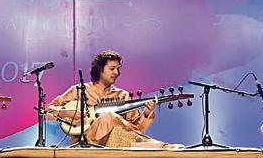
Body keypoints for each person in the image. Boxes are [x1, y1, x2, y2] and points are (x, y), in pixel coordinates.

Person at [47, 50, 179, 148]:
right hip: (85, 143)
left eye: (118, 69)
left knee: (120, 129)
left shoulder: (122, 95)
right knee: (108, 116)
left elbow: (135, 130)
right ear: (99, 69)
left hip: (114, 143)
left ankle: (158, 147)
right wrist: (68, 113)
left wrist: (146, 114)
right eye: (112, 68)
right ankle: (161, 146)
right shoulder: (79, 90)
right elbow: (47, 111)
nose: (116, 72)